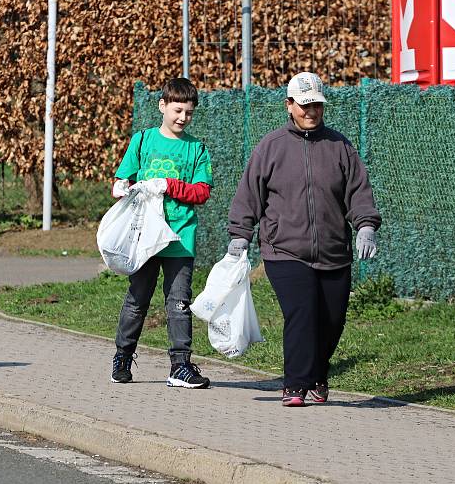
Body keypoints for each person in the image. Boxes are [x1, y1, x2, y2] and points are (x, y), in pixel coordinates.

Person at [227, 72, 381, 407]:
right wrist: (240, 234)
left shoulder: (340, 146)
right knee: (302, 313)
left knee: (332, 319)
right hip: (285, 250)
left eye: (316, 106)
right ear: (289, 105)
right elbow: (249, 194)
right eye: (304, 105)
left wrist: (365, 225)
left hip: (333, 250)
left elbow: (358, 191)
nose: (311, 112)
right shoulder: (271, 147)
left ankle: (317, 374)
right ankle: (295, 384)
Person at [110, 77, 214, 388]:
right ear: (162, 106)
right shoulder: (142, 141)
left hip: (180, 238)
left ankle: (180, 366)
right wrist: (119, 186)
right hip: (144, 238)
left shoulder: (197, 149)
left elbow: (201, 192)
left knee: (179, 301)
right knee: (137, 299)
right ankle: (122, 357)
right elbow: (122, 177)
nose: (183, 117)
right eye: (178, 110)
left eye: (189, 113)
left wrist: (170, 186)